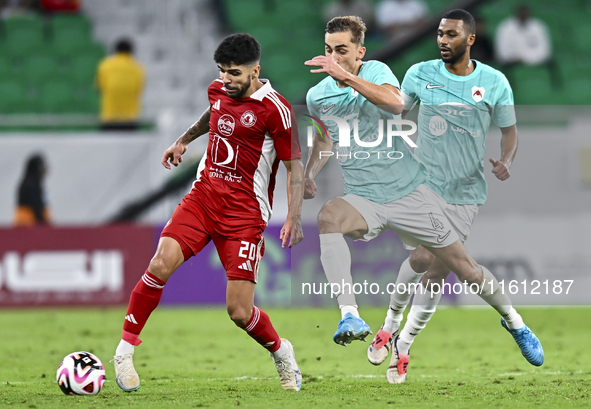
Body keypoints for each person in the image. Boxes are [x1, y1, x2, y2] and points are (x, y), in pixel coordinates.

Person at [304, 15, 542, 371]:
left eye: (342, 50)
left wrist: (348, 78)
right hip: (371, 195)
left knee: (459, 270)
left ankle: (514, 322)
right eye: (328, 51)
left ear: (360, 52)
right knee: (329, 218)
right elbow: (324, 138)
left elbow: (396, 104)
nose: (333, 58)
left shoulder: (378, 72)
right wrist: (309, 173)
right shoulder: (319, 95)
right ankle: (351, 316)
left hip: (419, 194)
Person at [112, 33, 305, 392]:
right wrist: (184, 139)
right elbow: (213, 115)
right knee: (159, 263)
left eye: (233, 73)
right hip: (202, 199)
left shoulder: (276, 110)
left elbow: (294, 166)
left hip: (244, 215)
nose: (225, 80)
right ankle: (124, 351)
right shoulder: (219, 90)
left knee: (239, 312)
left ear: (255, 70)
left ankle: (281, 351)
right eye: (221, 72)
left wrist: (292, 215)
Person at [96, 39, 145, 131]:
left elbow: (100, 88)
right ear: (131, 51)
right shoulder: (137, 68)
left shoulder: (105, 65)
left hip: (109, 116)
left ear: (115, 51)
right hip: (130, 117)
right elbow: (139, 90)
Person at [14, 154, 51, 226]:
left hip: (26, 222)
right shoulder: (31, 184)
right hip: (28, 223)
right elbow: (36, 205)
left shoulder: (27, 182)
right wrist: (43, 223)